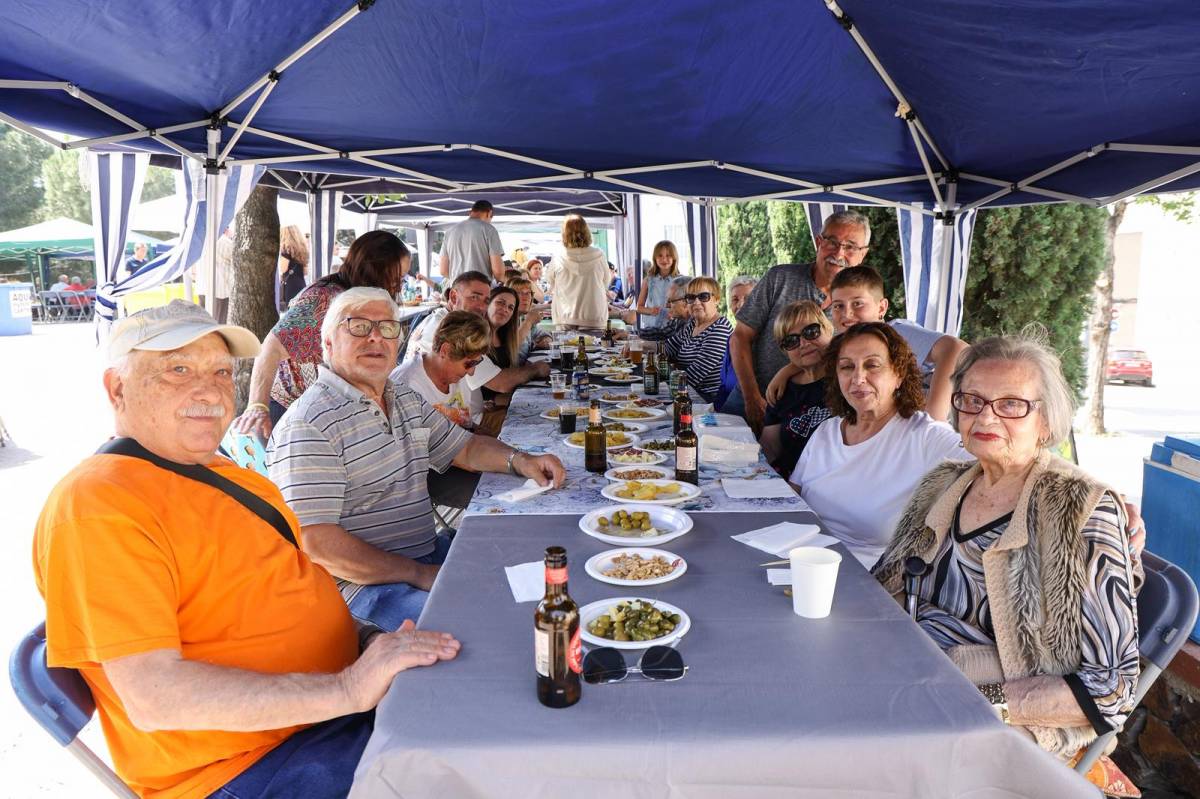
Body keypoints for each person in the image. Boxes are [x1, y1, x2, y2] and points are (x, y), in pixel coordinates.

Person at [33, 300, 461, 799]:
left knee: (494, 704)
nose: (208, 389)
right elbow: (155, 698)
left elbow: (294, 592)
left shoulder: (227, 475)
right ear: (117, 388)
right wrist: (349, 687)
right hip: (249, 766)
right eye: (177, 369)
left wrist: (368, 642)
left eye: (219, 370)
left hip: (327, 716)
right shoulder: (99, 505)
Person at [873, 332, 1140, 762]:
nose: (986, 417)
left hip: (997, 718)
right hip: (906, 677)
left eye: (1012, 404)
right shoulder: (942, 483)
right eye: (973, 400)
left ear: (1047, 423)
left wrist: (977, 700)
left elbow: (1113, 688)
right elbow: (880, 586)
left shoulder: (1081, 510)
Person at [268, 288, 565, 630]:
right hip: (362, 590)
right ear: (329, 343)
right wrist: (418, 573)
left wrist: (522, 460)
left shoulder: (401, 398)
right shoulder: (309, 423)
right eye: (359, 326)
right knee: (484, 624)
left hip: (424, 553)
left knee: (539, 560)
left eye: (388, 327)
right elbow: (317, 543)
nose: (376, 338)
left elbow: (465, 449)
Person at [790, 322, 971, 568]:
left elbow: (998, 461)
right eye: (846, 367)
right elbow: (792, 498)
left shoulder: (926, 436)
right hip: (797, 562)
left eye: (872, 365)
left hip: (865, 582)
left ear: (898, 374)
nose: (858, 378)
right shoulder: (827, 431)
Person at [233, 230, 409, 439]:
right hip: (289, 407)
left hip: (322, 408)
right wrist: (257, 405)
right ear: (376, 268)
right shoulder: (324, 299)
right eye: (395, 277)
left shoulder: (355, 297)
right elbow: (271, 347)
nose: (397, 286)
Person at [730, 210, 871, 429]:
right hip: (748, 396)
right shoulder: (780, 278)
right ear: (818, 242)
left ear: (863, 254)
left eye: (850, 246)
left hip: (804, 413)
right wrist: (751, 396)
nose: (839, 252)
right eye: (832, 242)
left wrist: (788, 370)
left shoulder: (860, 304)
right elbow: (740, 337)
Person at [826, 265, 968, 420]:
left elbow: (957, 349)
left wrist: (933, 417)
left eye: (857, 303)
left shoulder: (896, 333)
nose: (847, 314)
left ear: (881, 308)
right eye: (838, 306)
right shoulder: (841, 348)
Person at [403, 270, 550, 406]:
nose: (481, 307)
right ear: (454, 297)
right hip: (450, 424)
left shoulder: (438, 319)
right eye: (474, 297)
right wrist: (536, 369)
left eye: (486, 301)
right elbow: (500, 383)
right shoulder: (452, 329)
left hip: (460, 418)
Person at [760, 301, 834, 476]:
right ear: (785, 351)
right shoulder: (782, 389)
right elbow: (769, 447)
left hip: (829, 483)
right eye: (791, 341)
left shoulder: (848, 379)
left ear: (828, 330)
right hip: (787, 480)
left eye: (811, 332)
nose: (803, 343)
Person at [392, 310, 491, 429]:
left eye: (477, 362)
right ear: (446, 351)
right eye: (469, 364)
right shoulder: (407, 388)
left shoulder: (456, 377)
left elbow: (466, 426)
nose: (471, 372)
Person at [660, 276, 733, 402]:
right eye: (691, 298)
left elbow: (694, 375)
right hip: (686, 391)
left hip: (706, 400)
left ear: (716, 300)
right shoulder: (693, 324)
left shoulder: (720, 328)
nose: (696, 302)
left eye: (703, 297)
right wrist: (639, 345)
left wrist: (663, 382)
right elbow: (667, 348)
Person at [546, 214, 610, 332]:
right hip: (593, 314)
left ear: (564, 234)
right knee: (595, 349)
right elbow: (606, 281)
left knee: (565, 349)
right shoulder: (599, 255)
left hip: (565, 315)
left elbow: (550, 280)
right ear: (586, 231)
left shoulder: (558, 257)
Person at [714, 275, 759, 412]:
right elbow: (723, 386)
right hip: (727, 415)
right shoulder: (733, 339)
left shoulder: (766, 341)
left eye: (748, 299)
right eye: (735, 300)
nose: (740, 304)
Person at [438, 200, 505, 282]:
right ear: (489, 213)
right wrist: (503, 282)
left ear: (470, 212)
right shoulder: (489, 230)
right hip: (480, 288)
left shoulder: (450, 231)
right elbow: (498, 271)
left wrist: (460, 281)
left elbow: (443, 270)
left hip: (456, 289)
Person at [636, 241, 680, 330]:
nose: (664, 260)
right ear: (655, 258)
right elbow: (639, 307)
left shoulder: (679, 281)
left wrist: (674, 312)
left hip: (672, 330)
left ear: (674, 258)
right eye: (660, 256)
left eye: (668, 256)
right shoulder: (648, 280)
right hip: (651, 329)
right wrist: (651, 311)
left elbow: (685, 308)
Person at [506, 275, 551, 362]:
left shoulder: (522, 318)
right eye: (519, 293)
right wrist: (529, 322)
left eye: (528, 293)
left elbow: (545, 334)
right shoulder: (504, 321)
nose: (525, 297)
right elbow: (508, 350)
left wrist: (546, 340)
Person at [487, 285, 521, 369]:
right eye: (500, 302)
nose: (505, 309)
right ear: (487, 303)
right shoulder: (475, 336)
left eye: (510, 307)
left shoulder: (505, 336)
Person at [278, 224, 310, 310]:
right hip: (301, 284)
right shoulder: (303, 249)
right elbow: (305, 272)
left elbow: (283, 268)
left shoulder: (286, 248)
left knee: (291, 313)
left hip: (290, 286)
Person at [213, 225, 234, 323]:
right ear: (226, 229)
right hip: (223, 288)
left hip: (209, 288)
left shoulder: (209, 241)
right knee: (221, 320)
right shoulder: (225, 242)